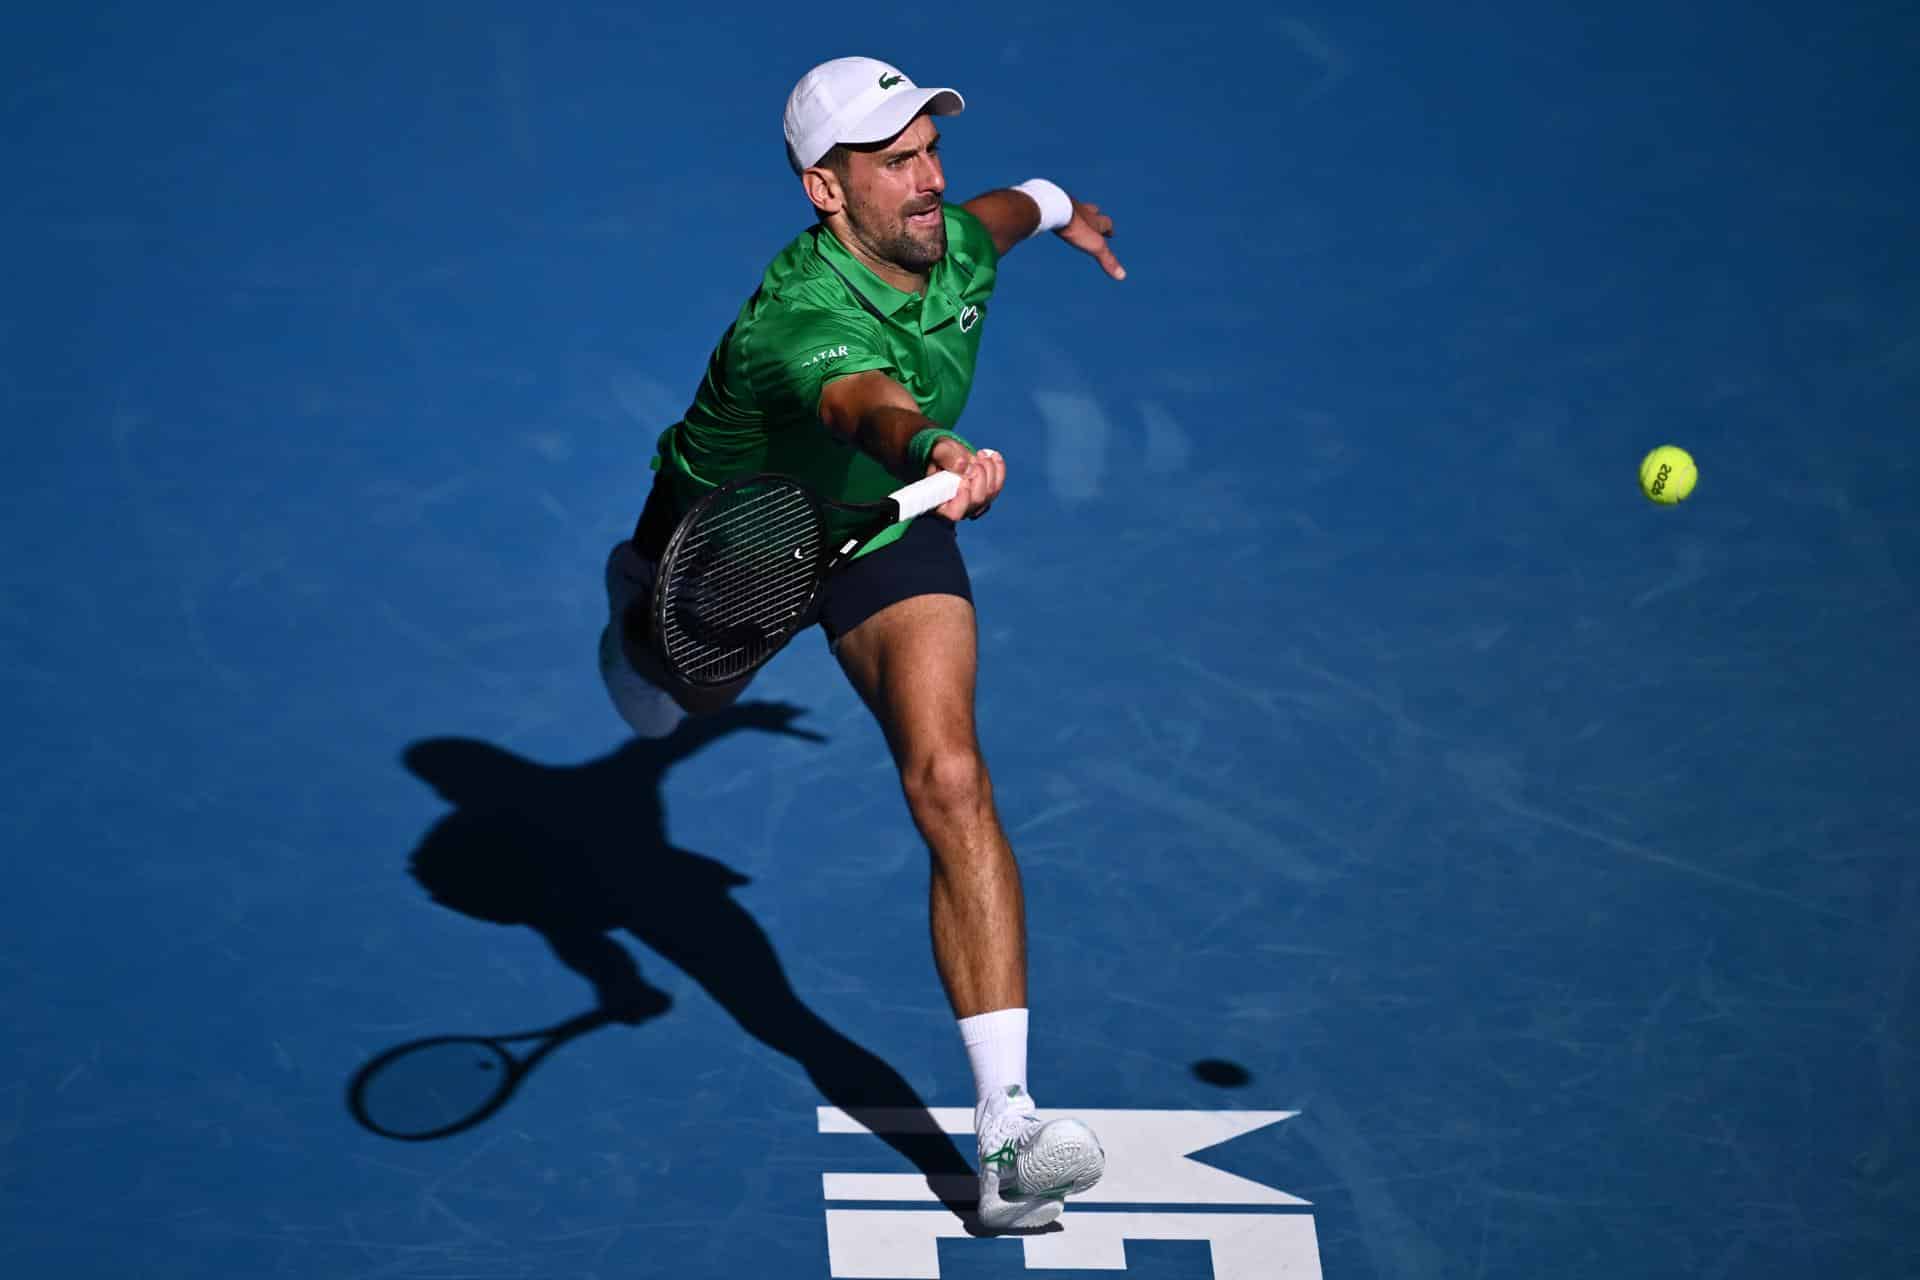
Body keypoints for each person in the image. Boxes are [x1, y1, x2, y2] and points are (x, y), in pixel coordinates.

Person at [597, 54, 1125, 1232]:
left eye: (931, 149)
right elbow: (864, 407)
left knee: (951, 775)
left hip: (884, 538)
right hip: (738, 539)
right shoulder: (801, 321)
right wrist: (935, 451)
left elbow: (1005, 211)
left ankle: (1007, 1132)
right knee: (676, 697)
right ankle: (638, 617)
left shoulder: (950, 233)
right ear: (826, 193)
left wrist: (1059, 208)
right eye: (894, 163)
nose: (929, 180)